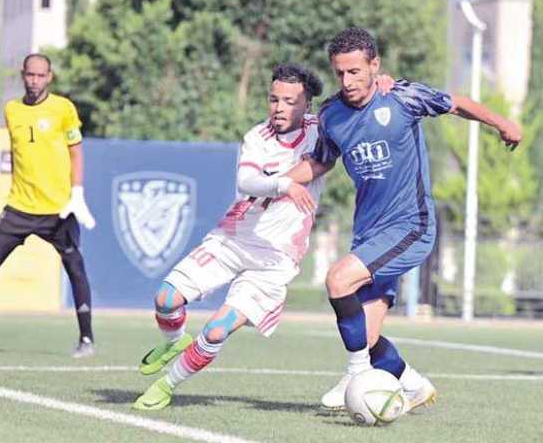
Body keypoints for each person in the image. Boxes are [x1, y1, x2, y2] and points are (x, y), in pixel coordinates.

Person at [284, 27, 522, 412]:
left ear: (374, 66)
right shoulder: (331, 115)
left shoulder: (402, 96)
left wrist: (502, 123)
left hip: (412, 226)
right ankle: (413, 385)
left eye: (355, 72)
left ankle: (356, 375)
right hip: (369, 234)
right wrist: (273, 182)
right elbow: (321, 162)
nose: (347, 81)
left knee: (337, 278)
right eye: (340, 73)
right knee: (367, 333)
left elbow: (455, 103)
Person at [131, 63, 326, 411]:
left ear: (306, 105)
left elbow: (355, 106)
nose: (279, 108)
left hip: (275, 260)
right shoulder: (257, 138)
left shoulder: (323, 129)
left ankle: (166, 384)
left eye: (289, 101)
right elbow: (246, 183)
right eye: (273, 99)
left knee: (217, 330)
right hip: (232, 239)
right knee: (165, 299)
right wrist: (285, 184)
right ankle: (174, 340)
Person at [0, 53, 98, 359]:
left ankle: (86, 338)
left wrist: (77, 193)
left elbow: (76, 152)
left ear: (50, 77)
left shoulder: (63, 108)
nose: (34, 81)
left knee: (75, 267)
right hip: (19, 207)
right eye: (30, 75)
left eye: (40, 76)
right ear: (22, 76)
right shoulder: (12, 110)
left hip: (57, 209)